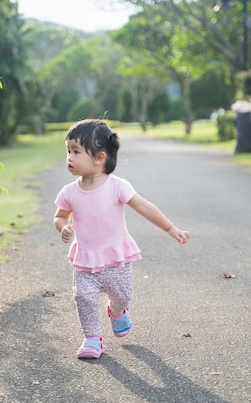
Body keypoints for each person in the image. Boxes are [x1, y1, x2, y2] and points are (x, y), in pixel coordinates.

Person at [53, 119, 190, 359]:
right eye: (68, 151)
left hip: (117, 259)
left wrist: (171, 228)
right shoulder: (69, 192)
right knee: (83, 297)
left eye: (76, 152)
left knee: (123, 295)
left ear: (99, 157)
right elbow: (60, 216)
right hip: (85, 259)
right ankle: (92, 338)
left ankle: (117, 312)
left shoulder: (117, 186)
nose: (69, 158)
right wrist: (63, 227)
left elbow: (145, 208)